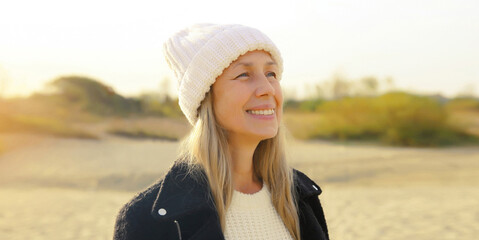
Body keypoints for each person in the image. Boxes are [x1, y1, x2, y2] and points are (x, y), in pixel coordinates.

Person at [112, 23, 329, 240]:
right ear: (205, 99)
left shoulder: (301, 197)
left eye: (271, 73)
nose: (268, 89)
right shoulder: (148, 221)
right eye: (244, 74)